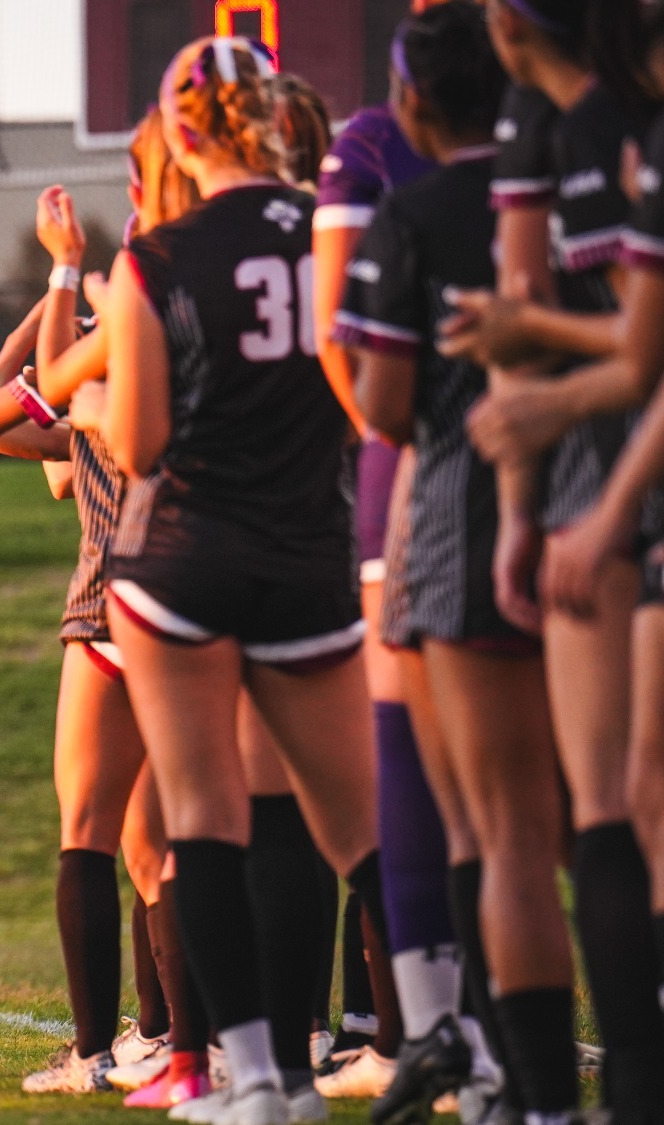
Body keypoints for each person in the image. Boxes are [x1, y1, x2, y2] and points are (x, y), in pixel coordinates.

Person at [0, 109, 211, 1108]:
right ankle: (187, 1039)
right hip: (215, 591)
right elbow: (43, 450)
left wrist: (55, 281)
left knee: (97, 832)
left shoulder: (118, 333)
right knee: (171, 841)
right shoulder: (216, 326)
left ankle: (108, 1048)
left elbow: (9, 409)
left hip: (116, 601)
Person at [92, 36, 390, 1125]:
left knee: (199, 821)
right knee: (359, 830)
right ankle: (461, 1038)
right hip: (312, 552)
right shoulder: (340, 237)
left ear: (178, 130)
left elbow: (138, 441)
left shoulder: (153, 258)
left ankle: (259, 1083)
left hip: (184, 560)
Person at [447, 0, 664, 1114]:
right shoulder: (559, 126)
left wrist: (530, 362)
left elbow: (636, 349)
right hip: (605, 490)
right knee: (615, 805)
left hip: (619, 489)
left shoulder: (595, 130)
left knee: (627, 803)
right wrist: (535, 502)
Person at [333, 6, 532, 1121]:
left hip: (451, 513)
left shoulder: (406, 206)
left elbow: (385, 401)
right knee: (600, 809)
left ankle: (483, 1052)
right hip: (601, 507)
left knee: (462, 802)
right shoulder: (570, 180)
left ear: (411, 99)